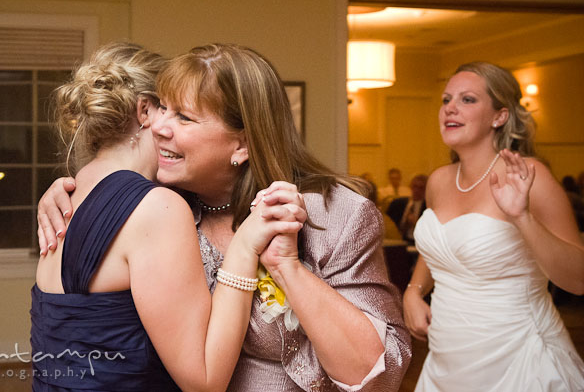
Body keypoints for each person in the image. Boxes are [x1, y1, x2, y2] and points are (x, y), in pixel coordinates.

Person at [38, 43, 411, 391]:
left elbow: (379, 375)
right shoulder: (162, 207)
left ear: (243, 143)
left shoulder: (332, 214)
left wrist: (287, 268)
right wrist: (69, 190)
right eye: (162, 109)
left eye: (184, 116)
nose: (160, 126)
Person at [403, 61, 584, 391]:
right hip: (446, 362)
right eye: (446, 100)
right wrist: (414, 293)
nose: (450, 109)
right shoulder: (439, 181)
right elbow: (442, 248)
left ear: (499, 116)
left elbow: (578, 280)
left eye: (467, 99)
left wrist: (522, 217)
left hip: (520, 358)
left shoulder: (530, 176)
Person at [386, 174, 428, 243]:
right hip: (398, 241)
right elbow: (388, 224)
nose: (416, 190)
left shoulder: (429, 207)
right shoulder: (397, 204)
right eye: (415, 186)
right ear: (411, 187)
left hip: (418, 242)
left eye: (421, 188)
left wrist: (416, 223)